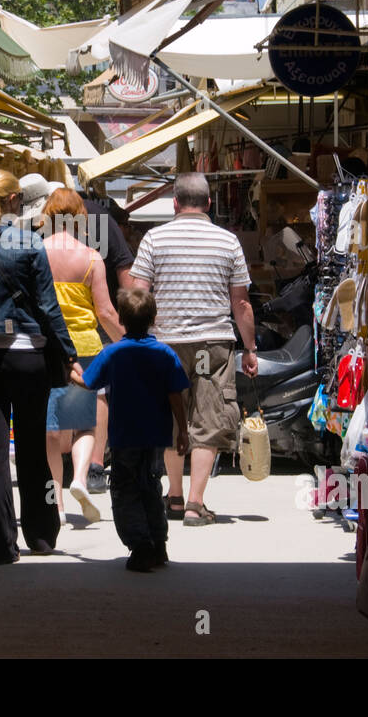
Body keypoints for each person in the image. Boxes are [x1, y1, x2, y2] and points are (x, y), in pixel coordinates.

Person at [0, 169, 79, 563]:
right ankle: (40, 536)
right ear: (14, 202)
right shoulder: (30, 243)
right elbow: (47, 307)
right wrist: (69, 353)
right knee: (29, 448)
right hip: (27, 357)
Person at [129, 173, 258, 527]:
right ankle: (194, 503)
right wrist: (250, 348)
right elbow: (241, 303)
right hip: (211, 344)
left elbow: (140, 294)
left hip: (165, 344)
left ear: (175, 203)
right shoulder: (228, 241)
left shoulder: (153, 239)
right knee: (208, 418)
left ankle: (173, 494)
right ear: (209, 203)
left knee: (172, 417)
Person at [74, 288, 190, 571]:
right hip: (156, 437)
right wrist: (183, 432)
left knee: (126, 490)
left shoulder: (113, 353)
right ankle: (158, 543)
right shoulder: (165, 354)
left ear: (122, 321)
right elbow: (176, 396)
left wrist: (71, 371)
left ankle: (140, 546)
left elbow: (89, 384)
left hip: (125, 437)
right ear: (153, 318)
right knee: (151, 487)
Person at [38, 189, 124, 525]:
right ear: (79, 217)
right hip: (85, 348)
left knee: (49, 430)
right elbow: (104, 311)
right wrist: (129, 341)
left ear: (47, 215)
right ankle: (80, 478)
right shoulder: (91, 258)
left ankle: (55, 504)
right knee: (85, 425)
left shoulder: (35, 254)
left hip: (46, 348)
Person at [79, 189, 135, 495]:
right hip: (98, 320)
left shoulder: (39, 219)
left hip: (50, 319)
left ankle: (54, 462)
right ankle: (95, 466)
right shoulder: (102, 219)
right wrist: (133, 324)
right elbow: (126, 275)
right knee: (99, 390)